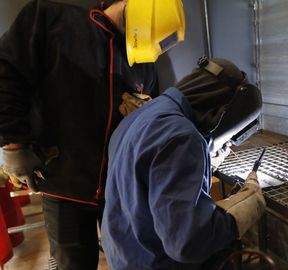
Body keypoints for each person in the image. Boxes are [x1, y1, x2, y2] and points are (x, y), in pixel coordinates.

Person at [0, 0, 185, 269]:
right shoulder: (50, 19)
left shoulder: (142, 61)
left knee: (133, 260)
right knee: (72, 263)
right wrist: (13, 144)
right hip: (65, 185)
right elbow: (7, 74)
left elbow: (153, 121)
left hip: (120, 189)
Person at [101, 57, 266, 269]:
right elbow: (187, 244)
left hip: (126, 253)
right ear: (221, 112)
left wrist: (202, 159)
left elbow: (150, 176)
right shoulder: (181, 137)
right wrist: (238, 213)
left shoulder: (147, 113)